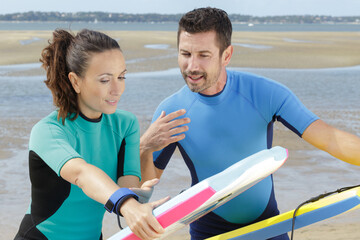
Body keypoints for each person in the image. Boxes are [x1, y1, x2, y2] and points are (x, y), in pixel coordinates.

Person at [139, 7, 360, 240]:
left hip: (268, 226)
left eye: (204, 55)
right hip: (208, 230)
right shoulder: (172, 110)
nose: (192, 66)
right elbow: (147, 183)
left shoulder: (264, 93)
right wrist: (144, 147)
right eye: (185, 54)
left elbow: (329, 138)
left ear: (227, 55)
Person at [14, 29, 167, 240]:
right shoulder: (48, 131)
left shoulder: (126, 125)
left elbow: (123, 190)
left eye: (121, 76)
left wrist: (136, 196)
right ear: (75, 81)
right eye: (105, 80)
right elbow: (82, 174)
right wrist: (127, 203)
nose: (117, 89)